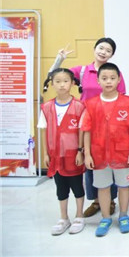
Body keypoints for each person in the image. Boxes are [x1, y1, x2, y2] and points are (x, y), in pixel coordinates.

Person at [50, 38, 124, 217]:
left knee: (110, 162)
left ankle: (110, 201)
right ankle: (97, 201)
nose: (103, 52)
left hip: (109, 125)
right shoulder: (82, 71)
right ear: (94, 48)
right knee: (90, 161)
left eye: (108, 50)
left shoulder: (115, 73)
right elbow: (54, 76)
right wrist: (59, 59)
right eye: (101, 48)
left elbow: (121, 97)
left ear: (112, 55)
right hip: (87, 124)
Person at [81, 63, 129, 237]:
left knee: (124, 186)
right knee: (103, 187)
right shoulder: (91, 104)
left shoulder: (128, 102)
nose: (108, 81)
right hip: (99, 155)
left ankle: (124, 216)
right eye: (104, 78)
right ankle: (105, 218)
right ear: (98, 80)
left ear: (119, 80)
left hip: (122, 154)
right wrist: (87, 154)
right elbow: (86, 130)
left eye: (112, 78)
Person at [40, 68, 86, 235]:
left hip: (73, 156)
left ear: (72, 83)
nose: (62, 85)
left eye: (65, 81)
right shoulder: (46, 107)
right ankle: (63, 217)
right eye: (57, 82)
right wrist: (45, 154)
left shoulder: (79, 106)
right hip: (56, 156)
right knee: (61, 189)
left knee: (77, 187)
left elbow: (82, 131)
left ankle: (79, 216)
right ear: (52, 84)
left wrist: (80, 151)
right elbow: (43, 130)